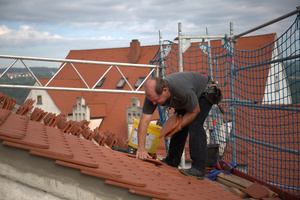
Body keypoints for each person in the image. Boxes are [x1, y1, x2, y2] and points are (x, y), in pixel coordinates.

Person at [136, 72, 214, 180]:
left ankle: (198, 168)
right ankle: (172, 160)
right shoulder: (152, 96)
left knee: (195, 125)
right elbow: (144, 121)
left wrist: (177, 126)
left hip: (203, 93)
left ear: (165, 90)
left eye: (157, 100)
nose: (154, 104)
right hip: (185, 99)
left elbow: (195, 111)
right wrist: (141, 148)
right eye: (152, 101)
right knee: (177, 123)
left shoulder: (181, 90)